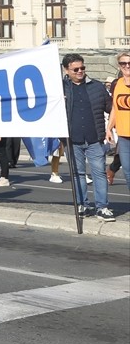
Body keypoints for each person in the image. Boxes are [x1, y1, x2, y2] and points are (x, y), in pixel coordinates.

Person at [61, 53, 114, 220]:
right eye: (75, 69)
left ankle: (102, 207)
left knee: (99, 173)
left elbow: (112, 108)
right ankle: (82, 205)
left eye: (82, 68)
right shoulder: (59, 88)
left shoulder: (97, 87)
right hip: (71, 139)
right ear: (66, 70)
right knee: (77, 174)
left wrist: (110, 128)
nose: (80, 71)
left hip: (95, 138)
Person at [107, 51, 130, 194]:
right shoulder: (117, 84)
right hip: (123, 135)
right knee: (128, 172)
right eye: (123, 63)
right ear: (119, 65)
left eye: (129, 63)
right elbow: (115, 108)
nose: (127, 66)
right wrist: (109, 128)